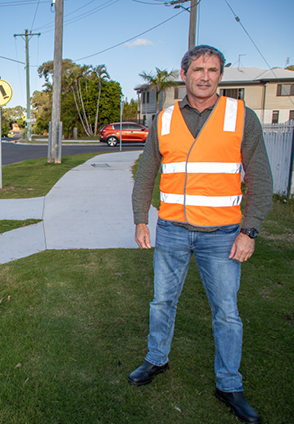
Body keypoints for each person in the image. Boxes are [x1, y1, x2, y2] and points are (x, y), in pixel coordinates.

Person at [130, 45, 273, 424]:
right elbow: (147, 172)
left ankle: (228, 384)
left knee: (226, 313)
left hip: (222, 235)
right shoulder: (164, 119)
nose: (205, 76)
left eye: (213, 70)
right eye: (198, 69)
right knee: (162, 302)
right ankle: (156, 360)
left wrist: (250, 231)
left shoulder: (241, 117)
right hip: (173, 230)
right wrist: (141, 219)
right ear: (185, 74)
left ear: (220, 76)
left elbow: (260, 178)